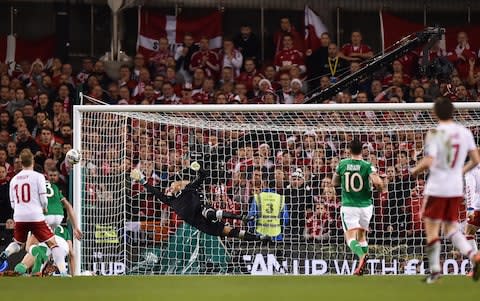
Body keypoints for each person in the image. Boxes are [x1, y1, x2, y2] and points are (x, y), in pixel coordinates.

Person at [411, 97, 480, 283]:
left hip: (438, 186)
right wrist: (459, 172)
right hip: (455, 188)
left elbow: (429, 160)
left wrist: (414, 170)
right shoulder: (465, 132)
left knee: (432, 228)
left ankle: (434, 270)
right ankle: (473, 255)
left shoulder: (435, 132)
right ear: (453, 112)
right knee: (451, 227)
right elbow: (475, 160)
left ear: (435, 113)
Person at [130, 162, 269, 241]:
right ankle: (260, 238)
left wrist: (198, 168)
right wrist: (142, 180)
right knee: (232, 233)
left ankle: (243, 218)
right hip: (201, 224)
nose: (170, 187)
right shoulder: (169, 201)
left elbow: (203, 176)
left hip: (203, 211)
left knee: (209, 213)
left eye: (172, 185)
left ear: (178, 185)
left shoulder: (188, 189)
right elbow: (154, 191)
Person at [0, 149, 68, 276]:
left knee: (18, 243)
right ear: (32, 161)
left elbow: (13, 203)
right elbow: (43, 198)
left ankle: (5, 253)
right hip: (35, 216)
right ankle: (63, 272)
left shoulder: (14, 179)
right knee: (53, 244)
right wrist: (45, 208)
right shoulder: (38, 177)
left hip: (19, 216)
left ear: (21, 162)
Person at [332, 139, 385, 276]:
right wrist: (379, 188)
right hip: (366, 207)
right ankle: (363, 265)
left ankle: (362, 256)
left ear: (349, 150)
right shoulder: (368, 166)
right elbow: (378, 183)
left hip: (349, 206)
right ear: (362, 150)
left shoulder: (342, 164)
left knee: (350, 238)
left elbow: (334, 182)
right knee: (362, 236)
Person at [465, 164, 480, 277]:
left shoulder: (470, 168)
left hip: (478, 206)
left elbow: (470, 188)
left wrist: (470, 209)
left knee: (469, 232)